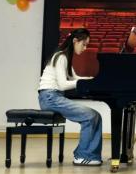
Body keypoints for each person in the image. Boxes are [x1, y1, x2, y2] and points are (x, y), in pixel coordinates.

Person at [38, 28, 103, 166]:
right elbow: (63, 85)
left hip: (53, 97)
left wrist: (92, 80)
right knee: (90, 116)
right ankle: (82, 156)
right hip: (50, 97)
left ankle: (91, 156)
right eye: (84, 44)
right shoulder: (60, 57)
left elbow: (75, 78)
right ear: (75, 41)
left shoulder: (65, 57)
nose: (85, 48)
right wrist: (84, 82)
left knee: (96, 115)